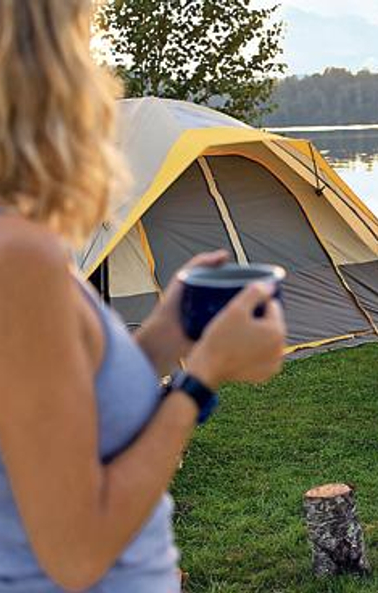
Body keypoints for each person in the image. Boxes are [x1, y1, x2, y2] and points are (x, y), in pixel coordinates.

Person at [0, 2, 286, 591]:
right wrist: (199, 381)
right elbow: (77, 554)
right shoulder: (18, 261)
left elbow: (64, 410)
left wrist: (163, 334)